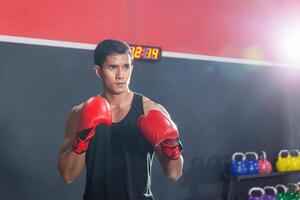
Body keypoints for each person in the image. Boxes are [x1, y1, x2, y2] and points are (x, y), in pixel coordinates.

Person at [58, 39, 184, 200]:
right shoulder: (79, 113)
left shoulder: (150, 110)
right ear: (98, 71)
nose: (120, 75)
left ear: (131, 68)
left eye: (126, 67)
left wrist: (171, 146)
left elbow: (174, 174)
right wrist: (81, 140)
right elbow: (67, 176)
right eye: (113, 67)